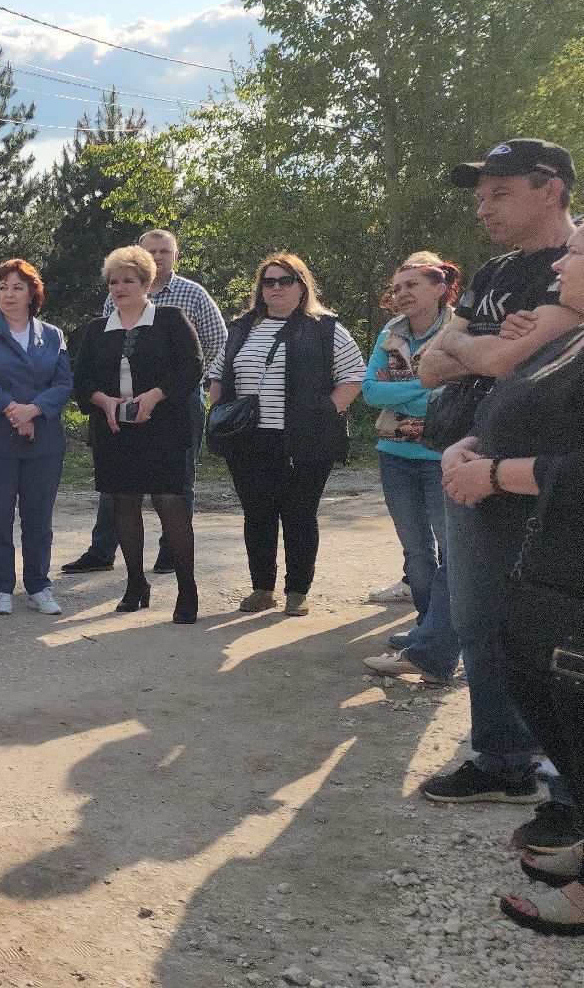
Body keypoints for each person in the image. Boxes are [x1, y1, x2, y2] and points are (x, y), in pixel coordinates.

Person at [412, 139, 581, 835]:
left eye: (499, 193)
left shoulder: (574, 269)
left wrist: (469, 343)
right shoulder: (492, 270)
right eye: (479, 195)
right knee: (482, 622)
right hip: (471, 461)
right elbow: (426, 366)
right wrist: (474, 345)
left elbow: (511, 360)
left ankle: (564, 791)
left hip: (548, 482)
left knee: (554, 635)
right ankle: (505, 756)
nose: (483, 207)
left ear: (551, 189)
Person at [455, 224, 584, 934]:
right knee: (544, 689)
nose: (561, 259)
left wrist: (498, 473)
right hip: (548, 563)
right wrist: (474, 443)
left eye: (577, 251)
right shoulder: (568, 334)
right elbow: (523, 406)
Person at [206, 253, 364, 617]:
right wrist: (219, 413)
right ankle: (262, 588)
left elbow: (353, 377)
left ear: (301, 285)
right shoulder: (242, 327)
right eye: (268, 281)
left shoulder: (326, 329)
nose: (276, 288)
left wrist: (325, 415)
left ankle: (297, 591)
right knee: (257, 515)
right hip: (248, 440)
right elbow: (218, 374)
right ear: (260, 288)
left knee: (299, 514)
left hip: (304, 443)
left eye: (285, 281)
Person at [64, 229, 227, 576]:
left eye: (163, 250)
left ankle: (172, 560)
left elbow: (212, 346)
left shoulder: (190, 296)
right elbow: (94, 367)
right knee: (119, 495)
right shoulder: (108, 311)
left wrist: (171, 389)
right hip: (116, 419)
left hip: (174, 410)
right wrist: (103, 399)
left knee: (175, 490)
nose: (157, 255)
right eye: (114, 281)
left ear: (173, 256)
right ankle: (106, 554)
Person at [73, 246, 205, 624]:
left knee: (170, 507)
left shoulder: (170, 319)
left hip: (165, 428)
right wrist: (104, 401)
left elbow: (191, 366)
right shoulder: (96, 330)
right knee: (124, 507)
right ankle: (135, 584)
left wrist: (156, 394)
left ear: (147, 284)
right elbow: (81, 381)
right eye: (114, 281)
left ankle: (187, 588)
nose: (119, 287)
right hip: (114, 430)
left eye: (128, 280)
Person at [357, 255, 459, 686]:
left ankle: (441, 644)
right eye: (397, 288)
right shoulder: (390, 333)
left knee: (453, 555)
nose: (401, 295)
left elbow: (458, 390)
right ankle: (425, 633)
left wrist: (403, 391)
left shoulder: (460, 331)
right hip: (395, 454)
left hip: (442, 456)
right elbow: (371, 391)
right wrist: (427, 383)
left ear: (440, 288)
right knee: (417, 553)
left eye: (411, 285)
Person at [0, 260, 72, 616]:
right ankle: (2, 589)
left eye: (17, 287)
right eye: (3, 287)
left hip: (44, 441)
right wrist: (12, 409)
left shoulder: (52, 335)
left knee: (39, 518)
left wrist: (33, 411)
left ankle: (39, 585)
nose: (8, 294)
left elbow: (65, 384)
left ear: (32, 294)